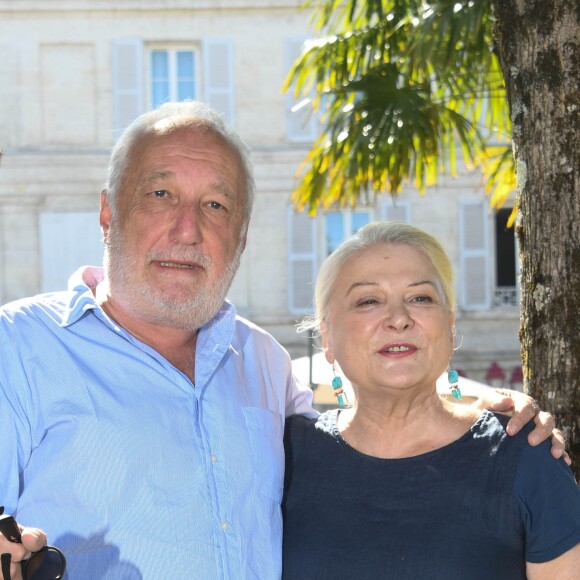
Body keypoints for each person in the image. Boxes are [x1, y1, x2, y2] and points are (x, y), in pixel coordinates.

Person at [0, 102, 566, 580]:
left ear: (241, 235)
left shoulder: (263, 363)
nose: (188, 229)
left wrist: (485, 402)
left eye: (215, 206)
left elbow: (376, 398)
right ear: (107, 211)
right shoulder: (18, 349)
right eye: (160, 194)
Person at [282, 221, 580, 579]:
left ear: (450, 326)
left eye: (420, 298)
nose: (398, 319)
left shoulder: (526, 454)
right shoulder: (284, 456)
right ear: (327, 337)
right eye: (368, 301)